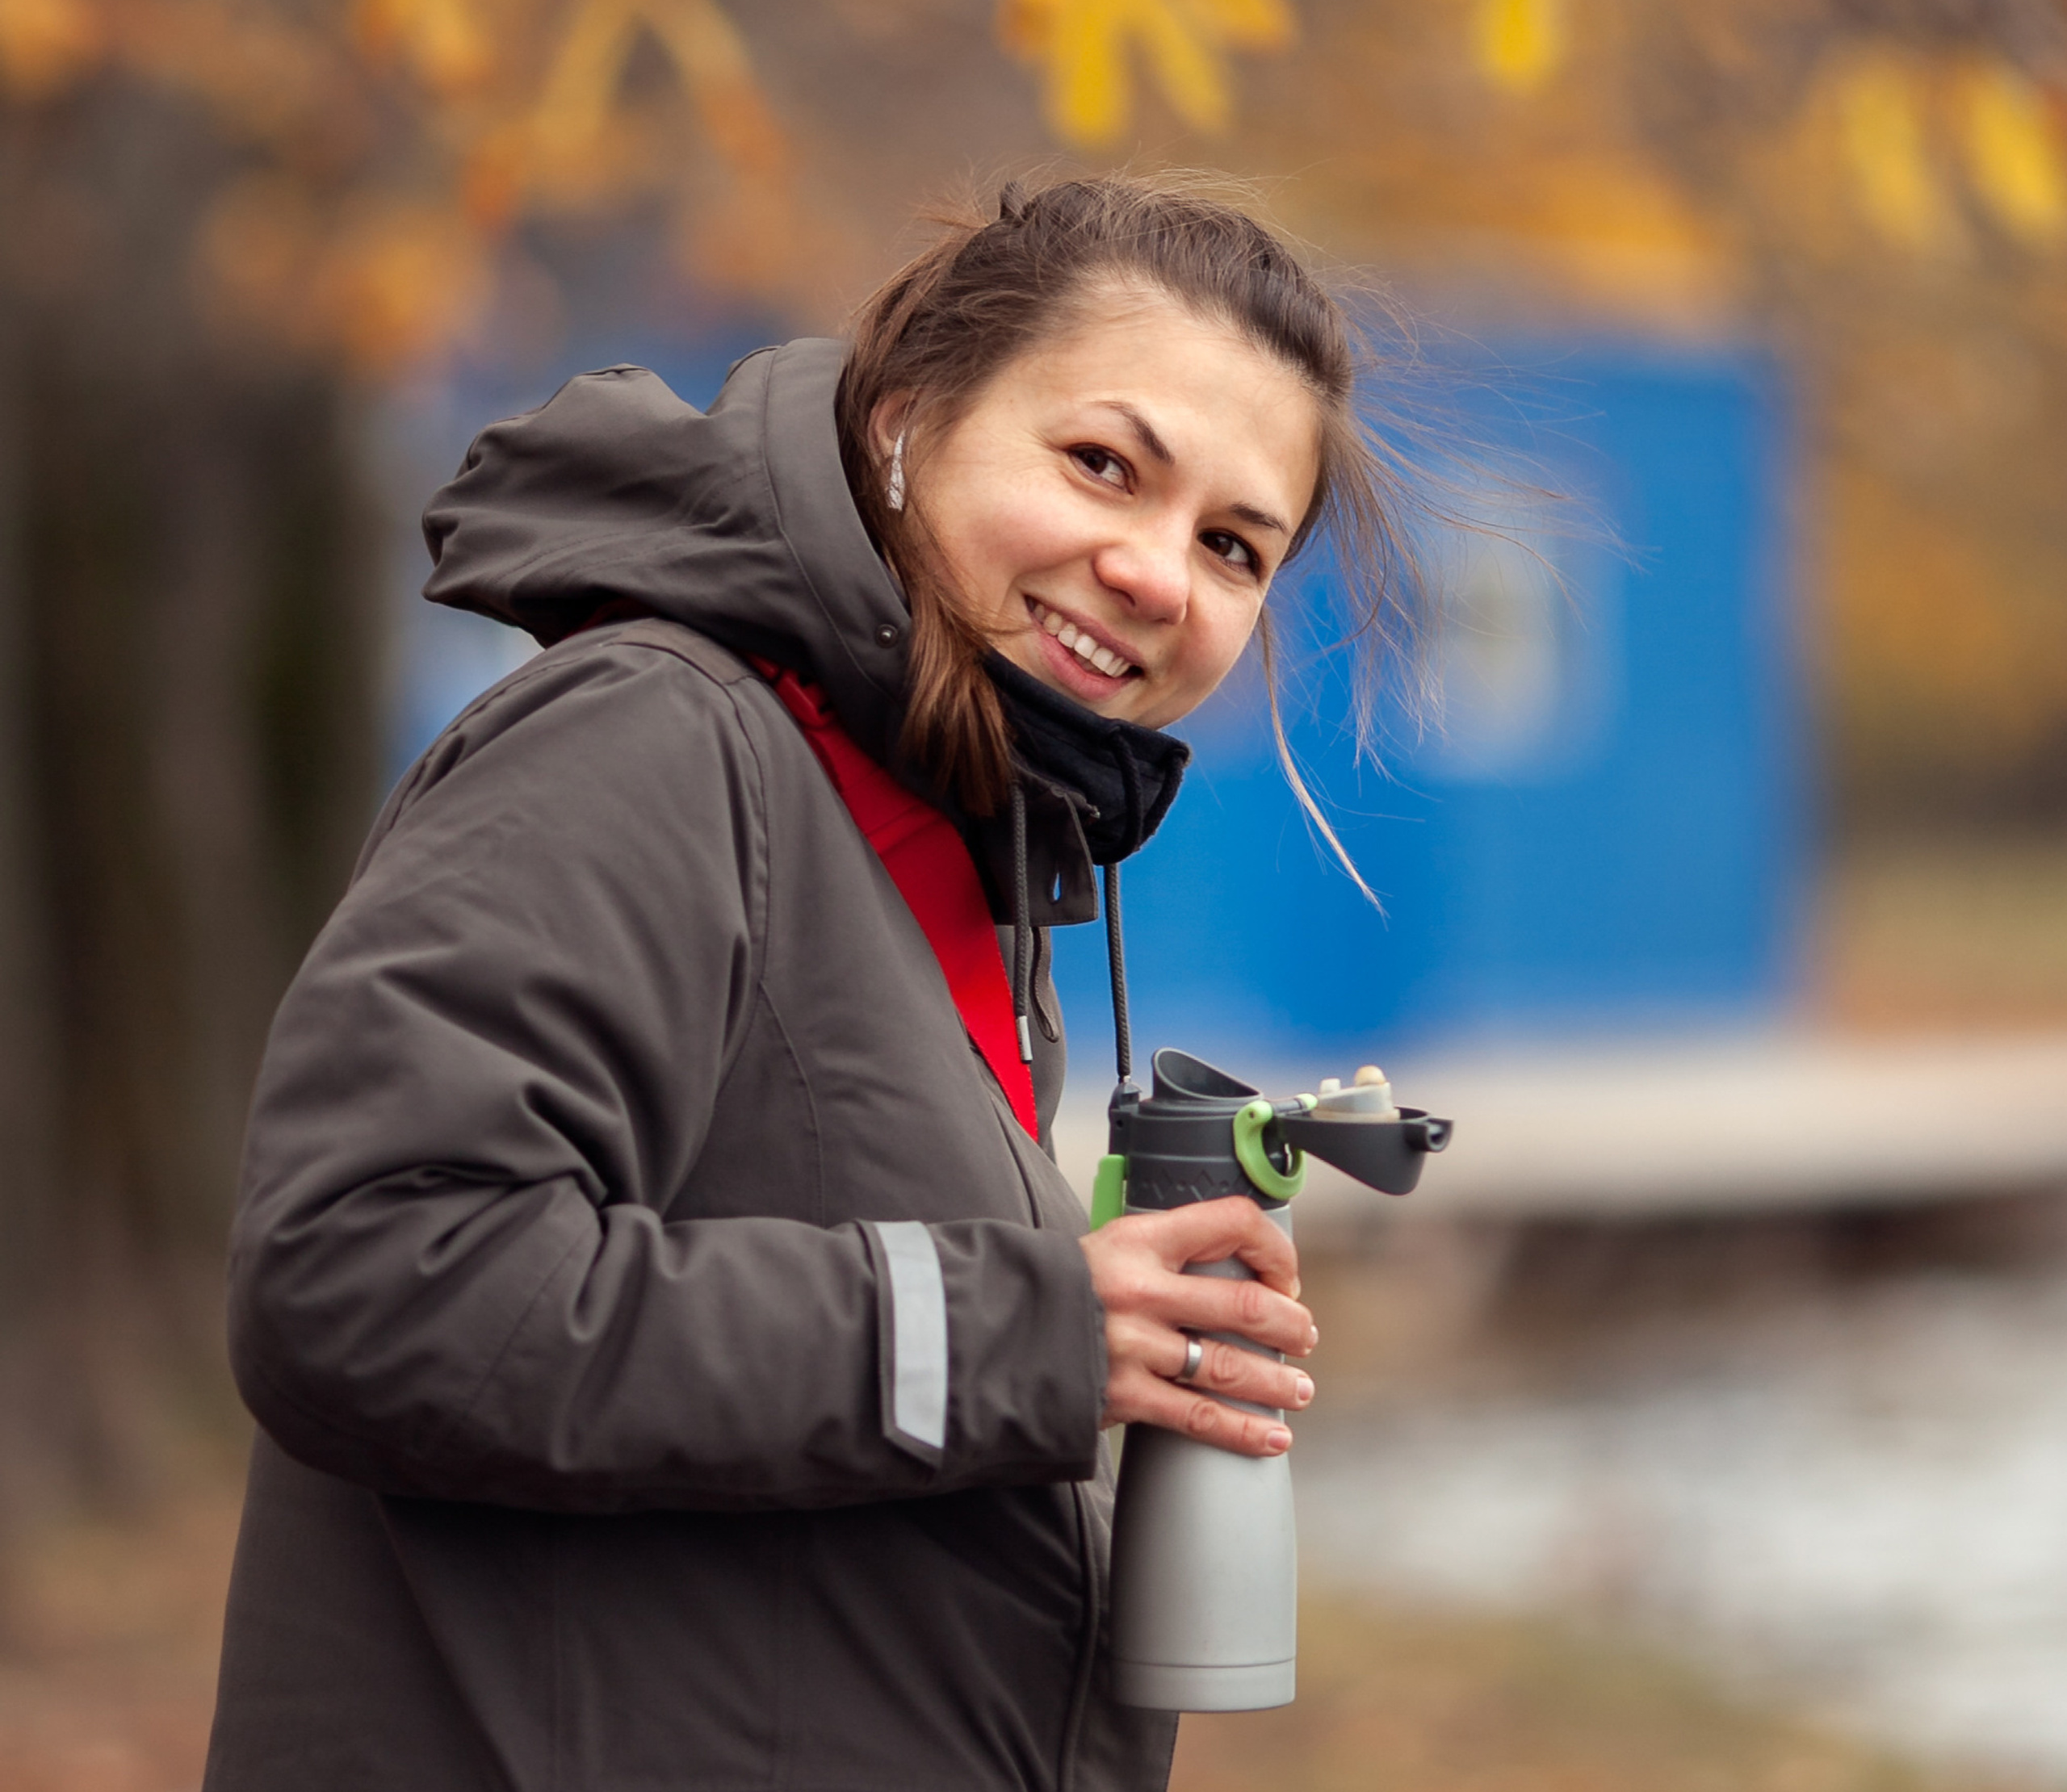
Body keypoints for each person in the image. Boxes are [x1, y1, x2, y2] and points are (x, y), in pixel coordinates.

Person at [203, 175, 1418, 1792]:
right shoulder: (651, 735)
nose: (1153, 572)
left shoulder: (935, 834)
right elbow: (366, 1275)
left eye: (1230, 544)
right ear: (907, 423)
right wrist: (1028, 1329)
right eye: (1100, 464)